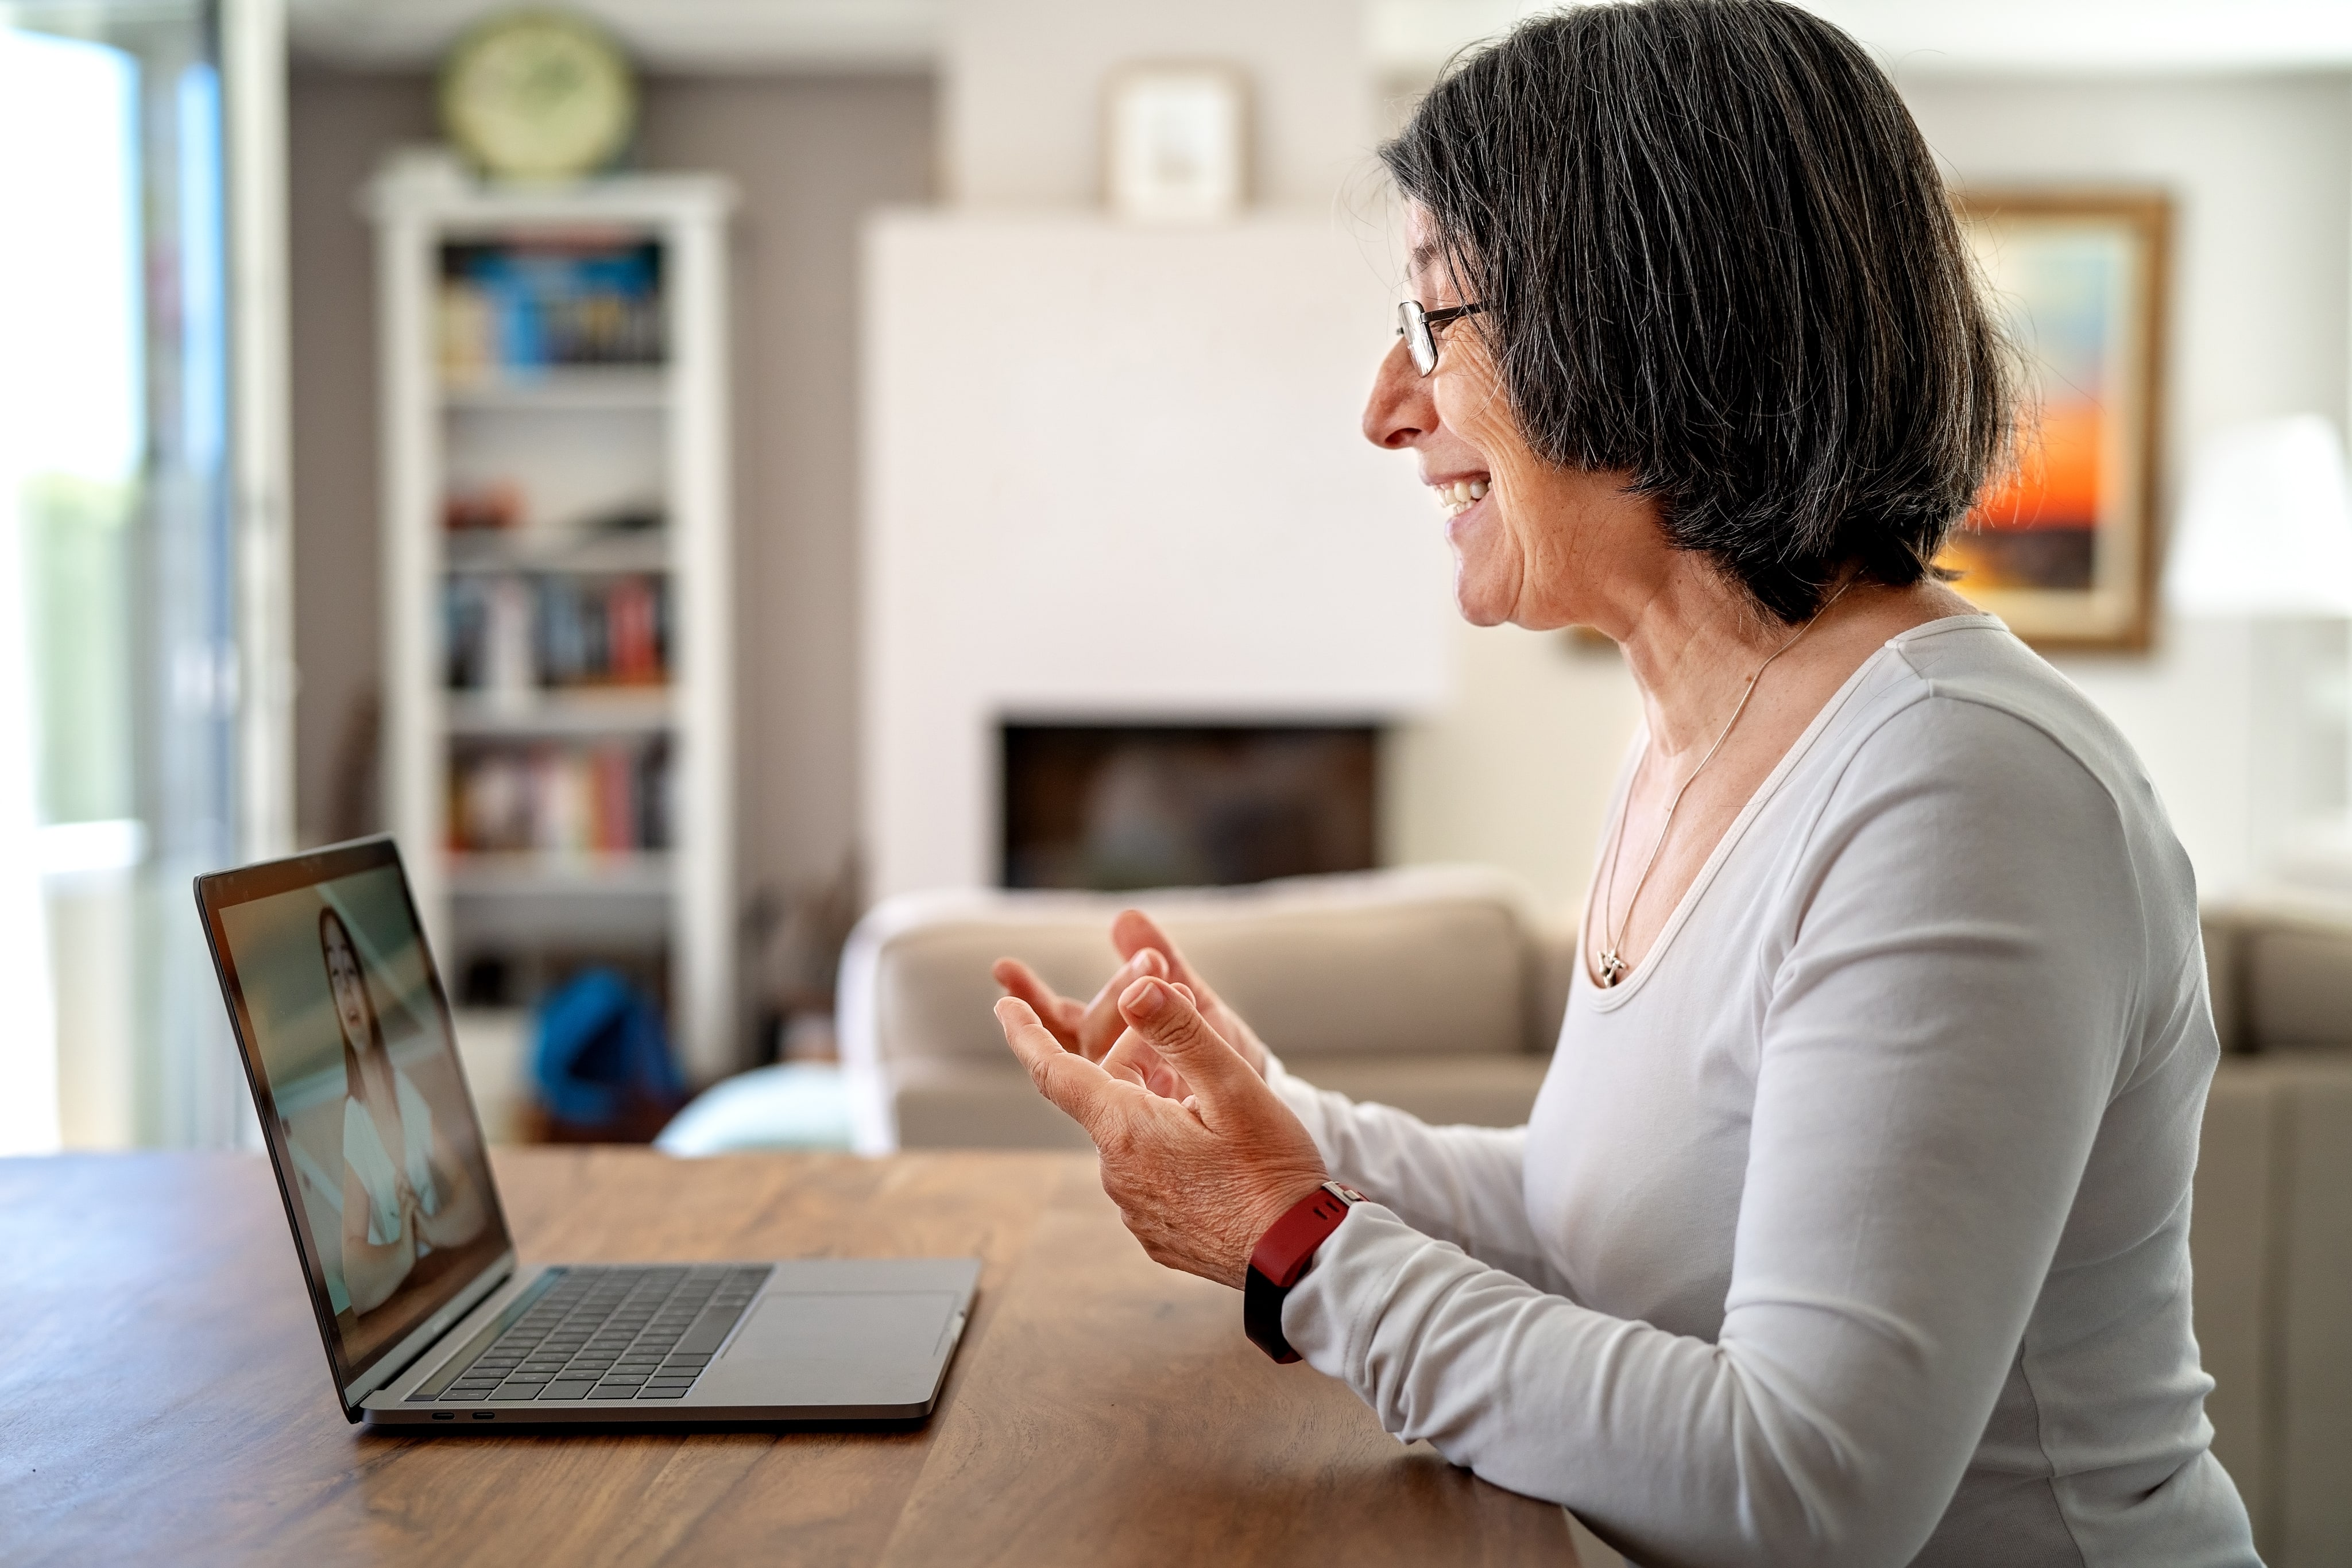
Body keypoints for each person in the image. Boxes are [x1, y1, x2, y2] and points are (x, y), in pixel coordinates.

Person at [987, 3, 2259, 1563]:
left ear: (1644, 324)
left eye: (1432, 323)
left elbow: (1808, 1490)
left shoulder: (1958, 789)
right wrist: (1279, 1135)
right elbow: (1610, 1220)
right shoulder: (1692, 729)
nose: (1388, 406)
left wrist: (1296, 1249)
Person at [322, 907, 484, 1315]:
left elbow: (473, 1203)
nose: (346, 991)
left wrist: (430, 1228)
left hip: (445, 1288)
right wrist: (403, 1251)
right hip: (407, 1305)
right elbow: (356, 1278)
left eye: (352, 972)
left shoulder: (405, 1090)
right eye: (334, 976)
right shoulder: (354, 1119)